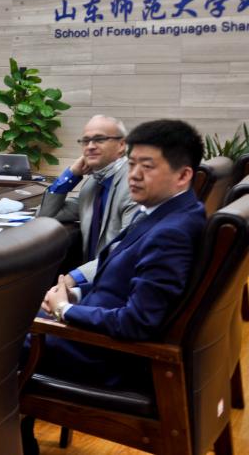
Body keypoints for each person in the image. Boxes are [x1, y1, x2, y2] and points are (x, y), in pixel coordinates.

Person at [35, 119, 206, 390]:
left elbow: (137, 322)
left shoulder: (171, 233)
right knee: (7, 317)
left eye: (147, 166)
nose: (133, 175)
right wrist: (74, 295)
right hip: (92, 323)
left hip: (98, 354)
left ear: (183, 176)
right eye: (132, 164)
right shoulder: (163, 210)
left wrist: (64, 310)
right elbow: (122, 281)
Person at [38, 115, 138, 285]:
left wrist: (74, 277)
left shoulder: (134, 183)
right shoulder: (93, 182)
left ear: (121, 145)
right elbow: (47, 215)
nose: (90, 146)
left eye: (99, 139)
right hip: (92, 279)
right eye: (85, 141)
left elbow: (126, 249)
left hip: (119, 283)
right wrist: (71, 175)